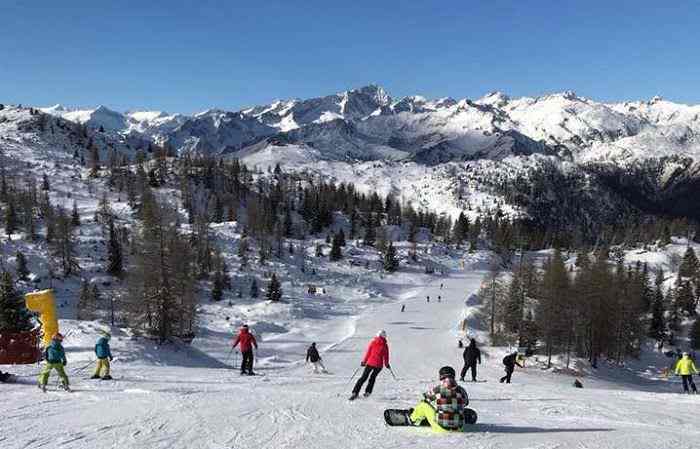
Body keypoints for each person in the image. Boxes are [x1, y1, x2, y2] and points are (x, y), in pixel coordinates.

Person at [407, 366, 469, 432]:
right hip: (459, 428)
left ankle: (413, 419)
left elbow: (426, 397)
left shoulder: (438, 389)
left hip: (441, 428)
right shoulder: (461, 390)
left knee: (423, 404)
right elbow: (466, 402)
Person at [350, 330, 390, 400]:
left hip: (370, 363)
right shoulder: (385, 345)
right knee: (372, 378)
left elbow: (368, 353)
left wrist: (364, 361)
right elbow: (386, 356)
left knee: (363, 378)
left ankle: (355, 392)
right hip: (378, 365)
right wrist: (386, 364)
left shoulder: (373, 342)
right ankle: (368, 392)